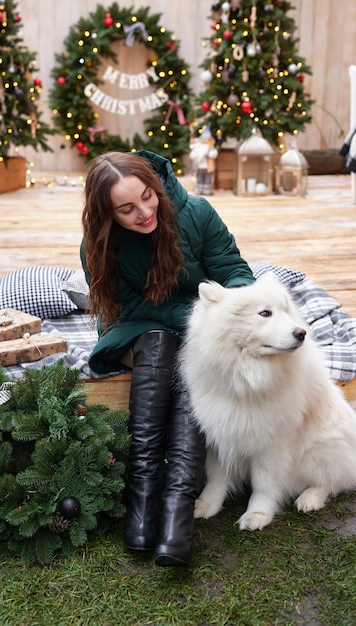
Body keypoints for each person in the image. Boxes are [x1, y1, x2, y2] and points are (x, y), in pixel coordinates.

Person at [80, 150, 255, 567]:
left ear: (155, 185)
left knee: (191, 355)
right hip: (137, 332)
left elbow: (235, 271)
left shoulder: (195, 213)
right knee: (161, 342)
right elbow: (120, 311)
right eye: (127, 209)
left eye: (147, 196)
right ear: (107, 215)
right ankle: (144, 496)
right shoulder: (97, 245)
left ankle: (175, 509)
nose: (144, 212)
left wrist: (231, 304)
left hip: (201, 329)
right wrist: (194, 313)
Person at [189, 126, 218, 195]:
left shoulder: (210, 148)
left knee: (208, 178)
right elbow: (192, 155)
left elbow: (214, 153)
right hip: (199, 166)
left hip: (208, 167)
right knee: (199, 178)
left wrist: (209, 154)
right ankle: (199, 188)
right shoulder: (198, 147)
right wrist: (196, 156)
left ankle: (207, 189)